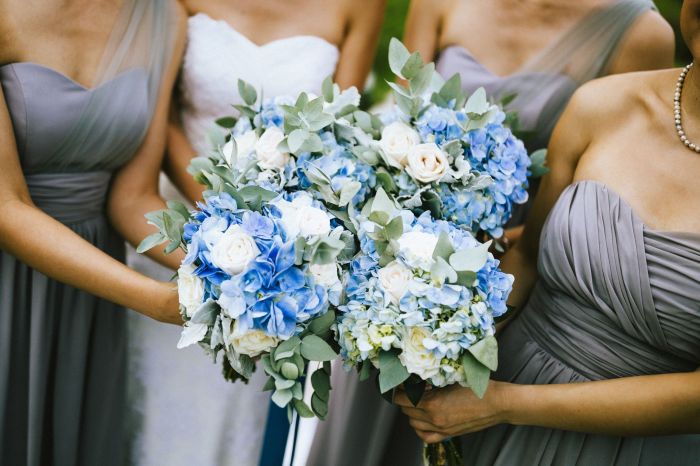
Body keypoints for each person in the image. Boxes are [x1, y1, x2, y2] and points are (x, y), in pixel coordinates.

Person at [305, 2, 676, 466]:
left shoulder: (641, 34)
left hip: (515, 272)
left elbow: (624, 193)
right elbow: (395, 127)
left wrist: (479, 266)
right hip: (401, 262)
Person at [124, 1, 385, 465]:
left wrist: (276, 242)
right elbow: (158, 116)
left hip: (279, 260)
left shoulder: (361, 6)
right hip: (181, 233)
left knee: (238, 418)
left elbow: (337, 136)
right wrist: (223, 217)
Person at [0, 0, 186, 464]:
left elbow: (133, 198)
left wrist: (238, 272)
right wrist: (155, 300)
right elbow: (6, 206)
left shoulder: (166, 18)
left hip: (93, 287)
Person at [406, 0, 674, 240]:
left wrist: (473, 252)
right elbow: (404, 117)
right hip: (411, 221)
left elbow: (612, 200)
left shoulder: (640, 35)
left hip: (534, 248)